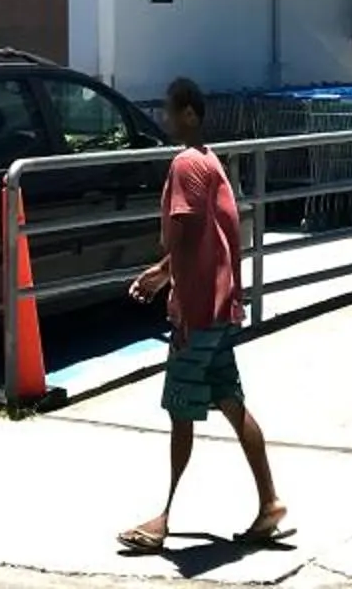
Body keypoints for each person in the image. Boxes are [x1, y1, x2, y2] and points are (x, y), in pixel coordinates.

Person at [119, 78, 288, 557]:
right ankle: (270, 501)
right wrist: (163, 275)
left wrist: (163, 280)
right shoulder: (214, 161)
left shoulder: (187, 163)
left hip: (197, 313)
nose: (168, 120)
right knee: (232, 405)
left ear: (190, 113)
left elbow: (186, 231)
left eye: (173, 112)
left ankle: (163, 518)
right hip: (220, 308)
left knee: (180, 410)